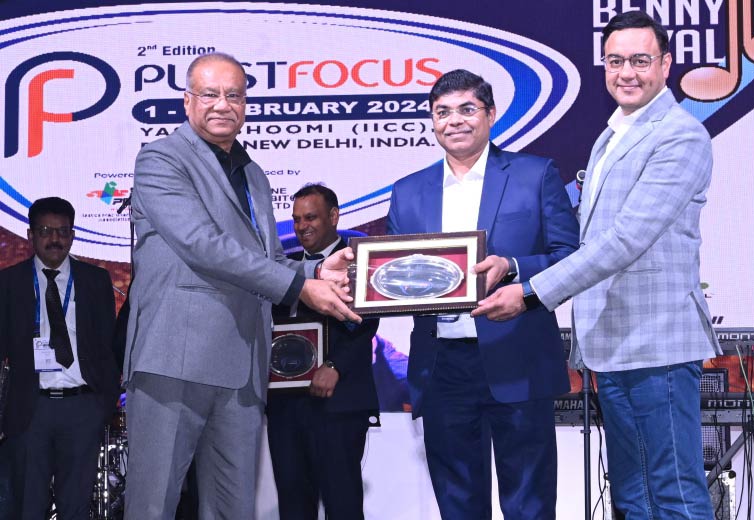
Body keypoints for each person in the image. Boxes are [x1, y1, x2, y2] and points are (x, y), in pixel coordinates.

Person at [472, 11, 721, 519]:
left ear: (666, 64)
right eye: (615, 61)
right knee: (631, 496)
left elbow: (626, 239)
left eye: (640, 60)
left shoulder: (680, 135)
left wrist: (532, 293)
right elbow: (590, 240)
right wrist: (516, 267)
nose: (626, 72)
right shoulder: (611, 135)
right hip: (612, 344)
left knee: (673, 492)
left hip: (657, 344)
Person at [123, 52, 360, 519]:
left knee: (234, 510)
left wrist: (317, 272)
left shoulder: (253, 175)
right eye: (210, 93)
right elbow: (202, 245)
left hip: (244, 366)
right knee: (153, 506)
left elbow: (268, 259)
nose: (222, 104)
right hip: (174, 360)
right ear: (187, 101)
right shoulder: (161, 159)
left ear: (245, 104)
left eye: (234, 95)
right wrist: (298, 288)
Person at [386, 69, 579, 519]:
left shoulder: (535, 174)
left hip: (518, 353)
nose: (454, 120)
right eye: (442, 112)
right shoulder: (407, 191)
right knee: (457, 505)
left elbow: (571, 257)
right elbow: (396, 276)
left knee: (529, 505)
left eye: (467, 109)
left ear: (490, 115)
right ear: (432, 122)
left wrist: (513, 269)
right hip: (441, 366)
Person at [0, 197, 120, 519]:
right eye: (45, 231)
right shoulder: (8, 282)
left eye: (62, 231)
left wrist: (103, 403)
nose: (55, 239)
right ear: (30, 235)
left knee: (76, 507)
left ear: (73, 235)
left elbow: (108, 347)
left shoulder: (95, 280)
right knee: (28, 507)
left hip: (83, 408)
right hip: (30, 410)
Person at [266, 183, 379, 520]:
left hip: (338, 402)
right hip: (285, 405)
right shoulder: (282, 270)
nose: (302, 226)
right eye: (297, 219)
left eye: (311, 217)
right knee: (293, 503)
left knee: (342, 502)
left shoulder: (357, 262)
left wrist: (334, 365)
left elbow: (367, 322)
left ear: (333, 216)